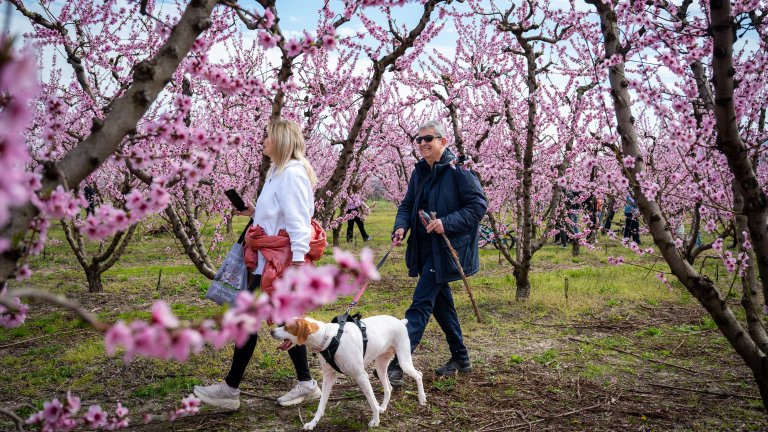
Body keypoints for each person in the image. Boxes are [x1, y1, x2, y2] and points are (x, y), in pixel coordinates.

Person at [194, 119, 325, 410]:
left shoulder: (292, 174)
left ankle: (232, 390)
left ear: (279, 141)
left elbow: (299, 224)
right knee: (270, 320)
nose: (263, 140)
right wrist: (253, 212)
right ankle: (304, 383)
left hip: (278, 265)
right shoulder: (276, 172)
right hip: (263, 264)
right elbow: (275, 215)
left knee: (262, 319)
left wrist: (298, 267)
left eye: (267, 136)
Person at [387, 120, 488, 386]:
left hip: (445, 249)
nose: (422, 144)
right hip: (423, 249)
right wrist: (401, 226)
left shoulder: (459, 171)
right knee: (442, 306)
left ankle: (398, 365)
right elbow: (408, 204)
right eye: (418, 140)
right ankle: (461, 358)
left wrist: (447, 222)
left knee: (420, 304)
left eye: (428, 139)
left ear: (443, 141)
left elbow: (478, 206)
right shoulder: (419, 171)